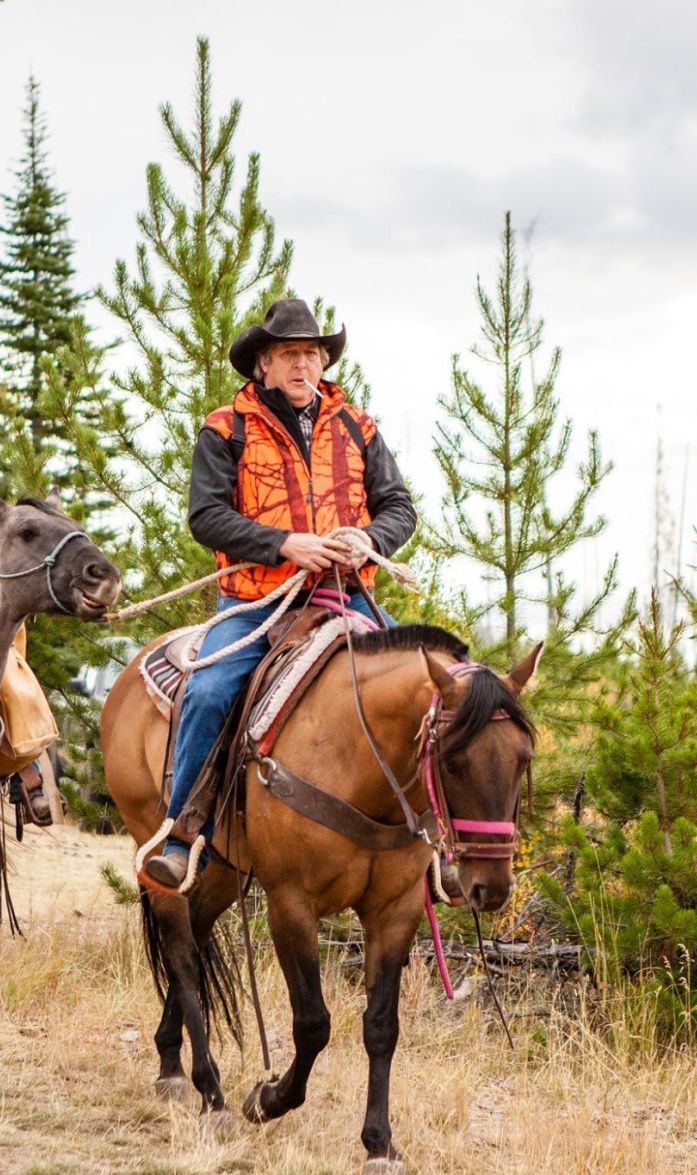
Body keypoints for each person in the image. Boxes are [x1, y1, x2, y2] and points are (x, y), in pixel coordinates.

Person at [142, 297, 418, 891]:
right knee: (212, 690)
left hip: (347, 596)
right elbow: (206, 518)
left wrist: (365, 540)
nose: (303, 366)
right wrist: (284, 545)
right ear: (262, 364)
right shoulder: (226, 429)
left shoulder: (358, 428)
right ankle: (183, 830)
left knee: (429, 682)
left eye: (311, 354)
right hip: (258, 601)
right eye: (289, 354)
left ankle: (429, 840)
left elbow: (401, 509)